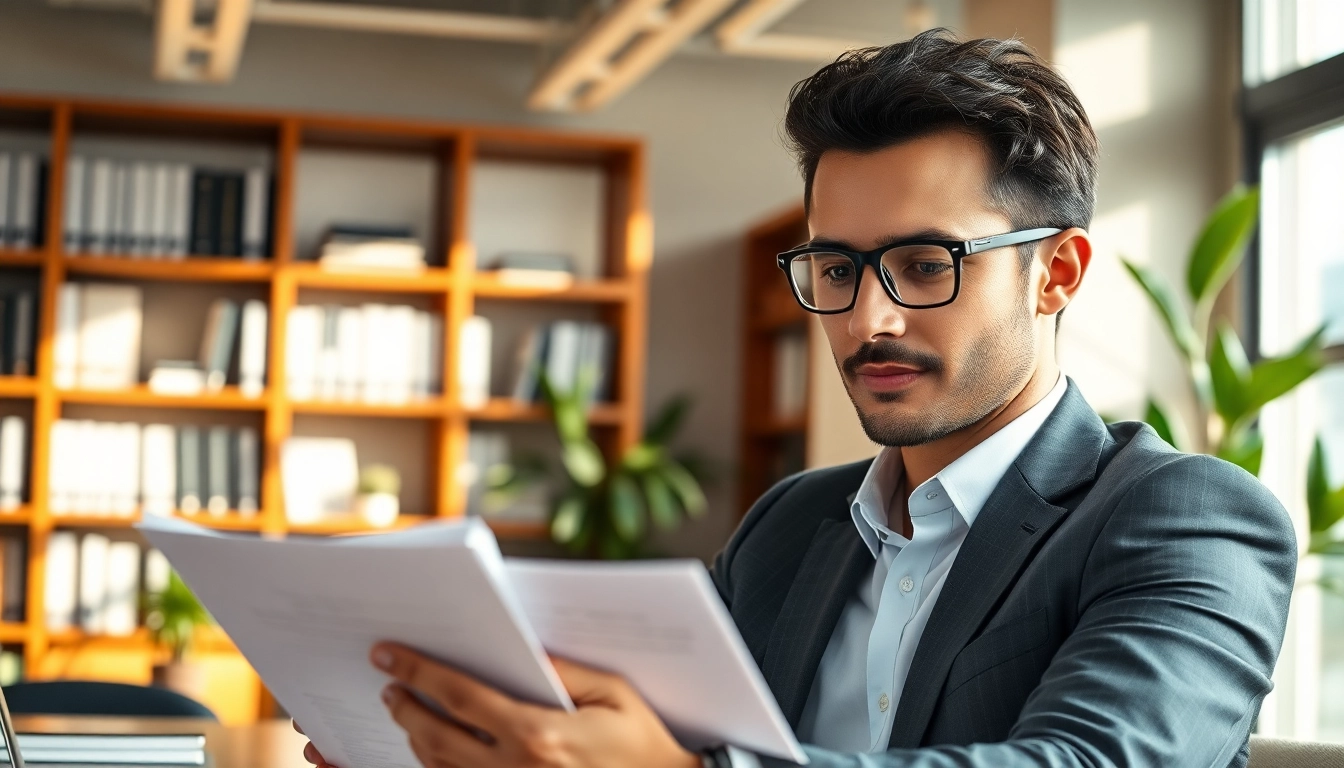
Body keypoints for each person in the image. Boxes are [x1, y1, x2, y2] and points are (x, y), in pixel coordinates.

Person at [298, 29, 1296, 768]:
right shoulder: (792, 524)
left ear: (1057, 274)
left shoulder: (1187, 518)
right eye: (835, 267)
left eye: (923, 263)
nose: (868, 320)